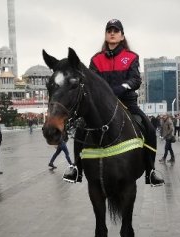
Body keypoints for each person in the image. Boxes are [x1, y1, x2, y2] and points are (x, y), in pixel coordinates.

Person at [63, 19, 164, 186]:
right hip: (101, 105)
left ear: (122, 36)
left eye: (116, 31)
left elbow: (136, 80)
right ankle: (76, 168)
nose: (112, 33)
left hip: (126, 102)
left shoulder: (131, 57)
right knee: (81, 129)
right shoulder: (96, 59)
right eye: (109, 30)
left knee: (150, 129)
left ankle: (151, 171)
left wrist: (121, 87)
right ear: (105, 35)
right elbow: (90, 80)